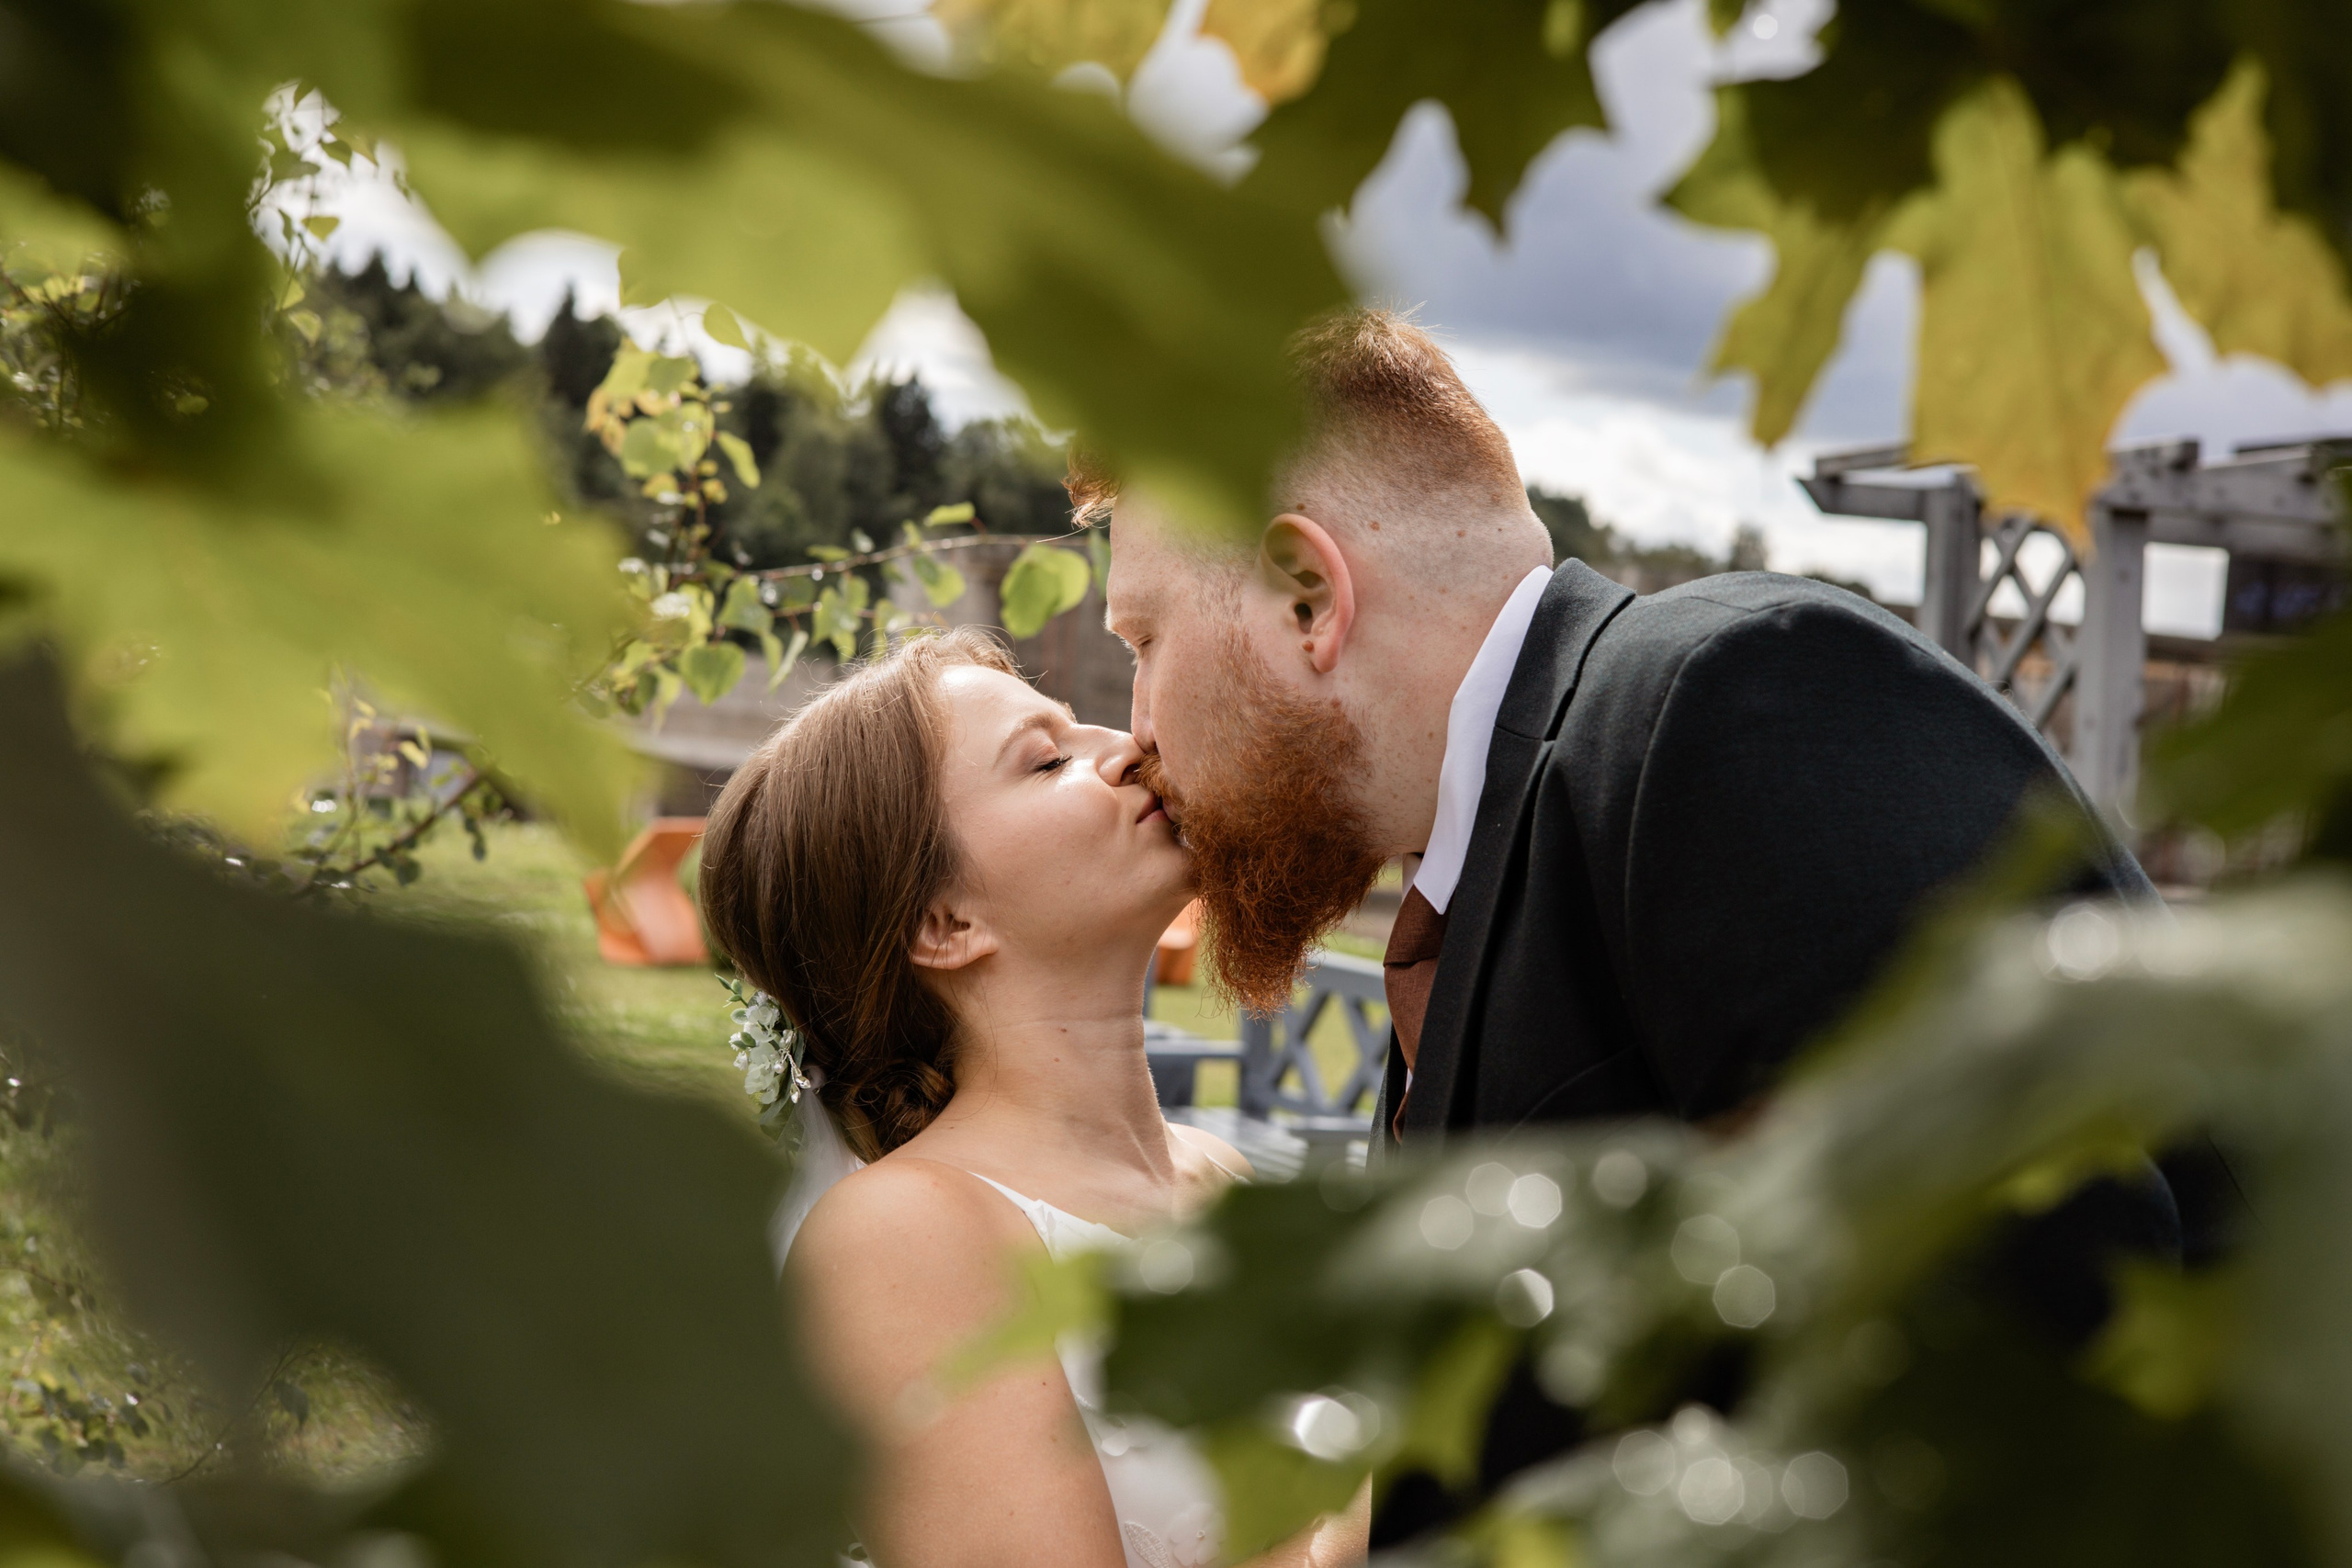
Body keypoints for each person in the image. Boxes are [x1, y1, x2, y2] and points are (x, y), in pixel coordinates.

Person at [1095, 307, 2175, 1533]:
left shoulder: (1729, 700)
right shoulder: (1489, 863)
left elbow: (2018, 1343)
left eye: (1143, 637)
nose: (1133, 725)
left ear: (1307, 597)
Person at [697, 627, 1368, 1568]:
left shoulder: (1225, 1180)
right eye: (1047, 759)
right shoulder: (902, 1235)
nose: (1129, 746)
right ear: (945, 922)